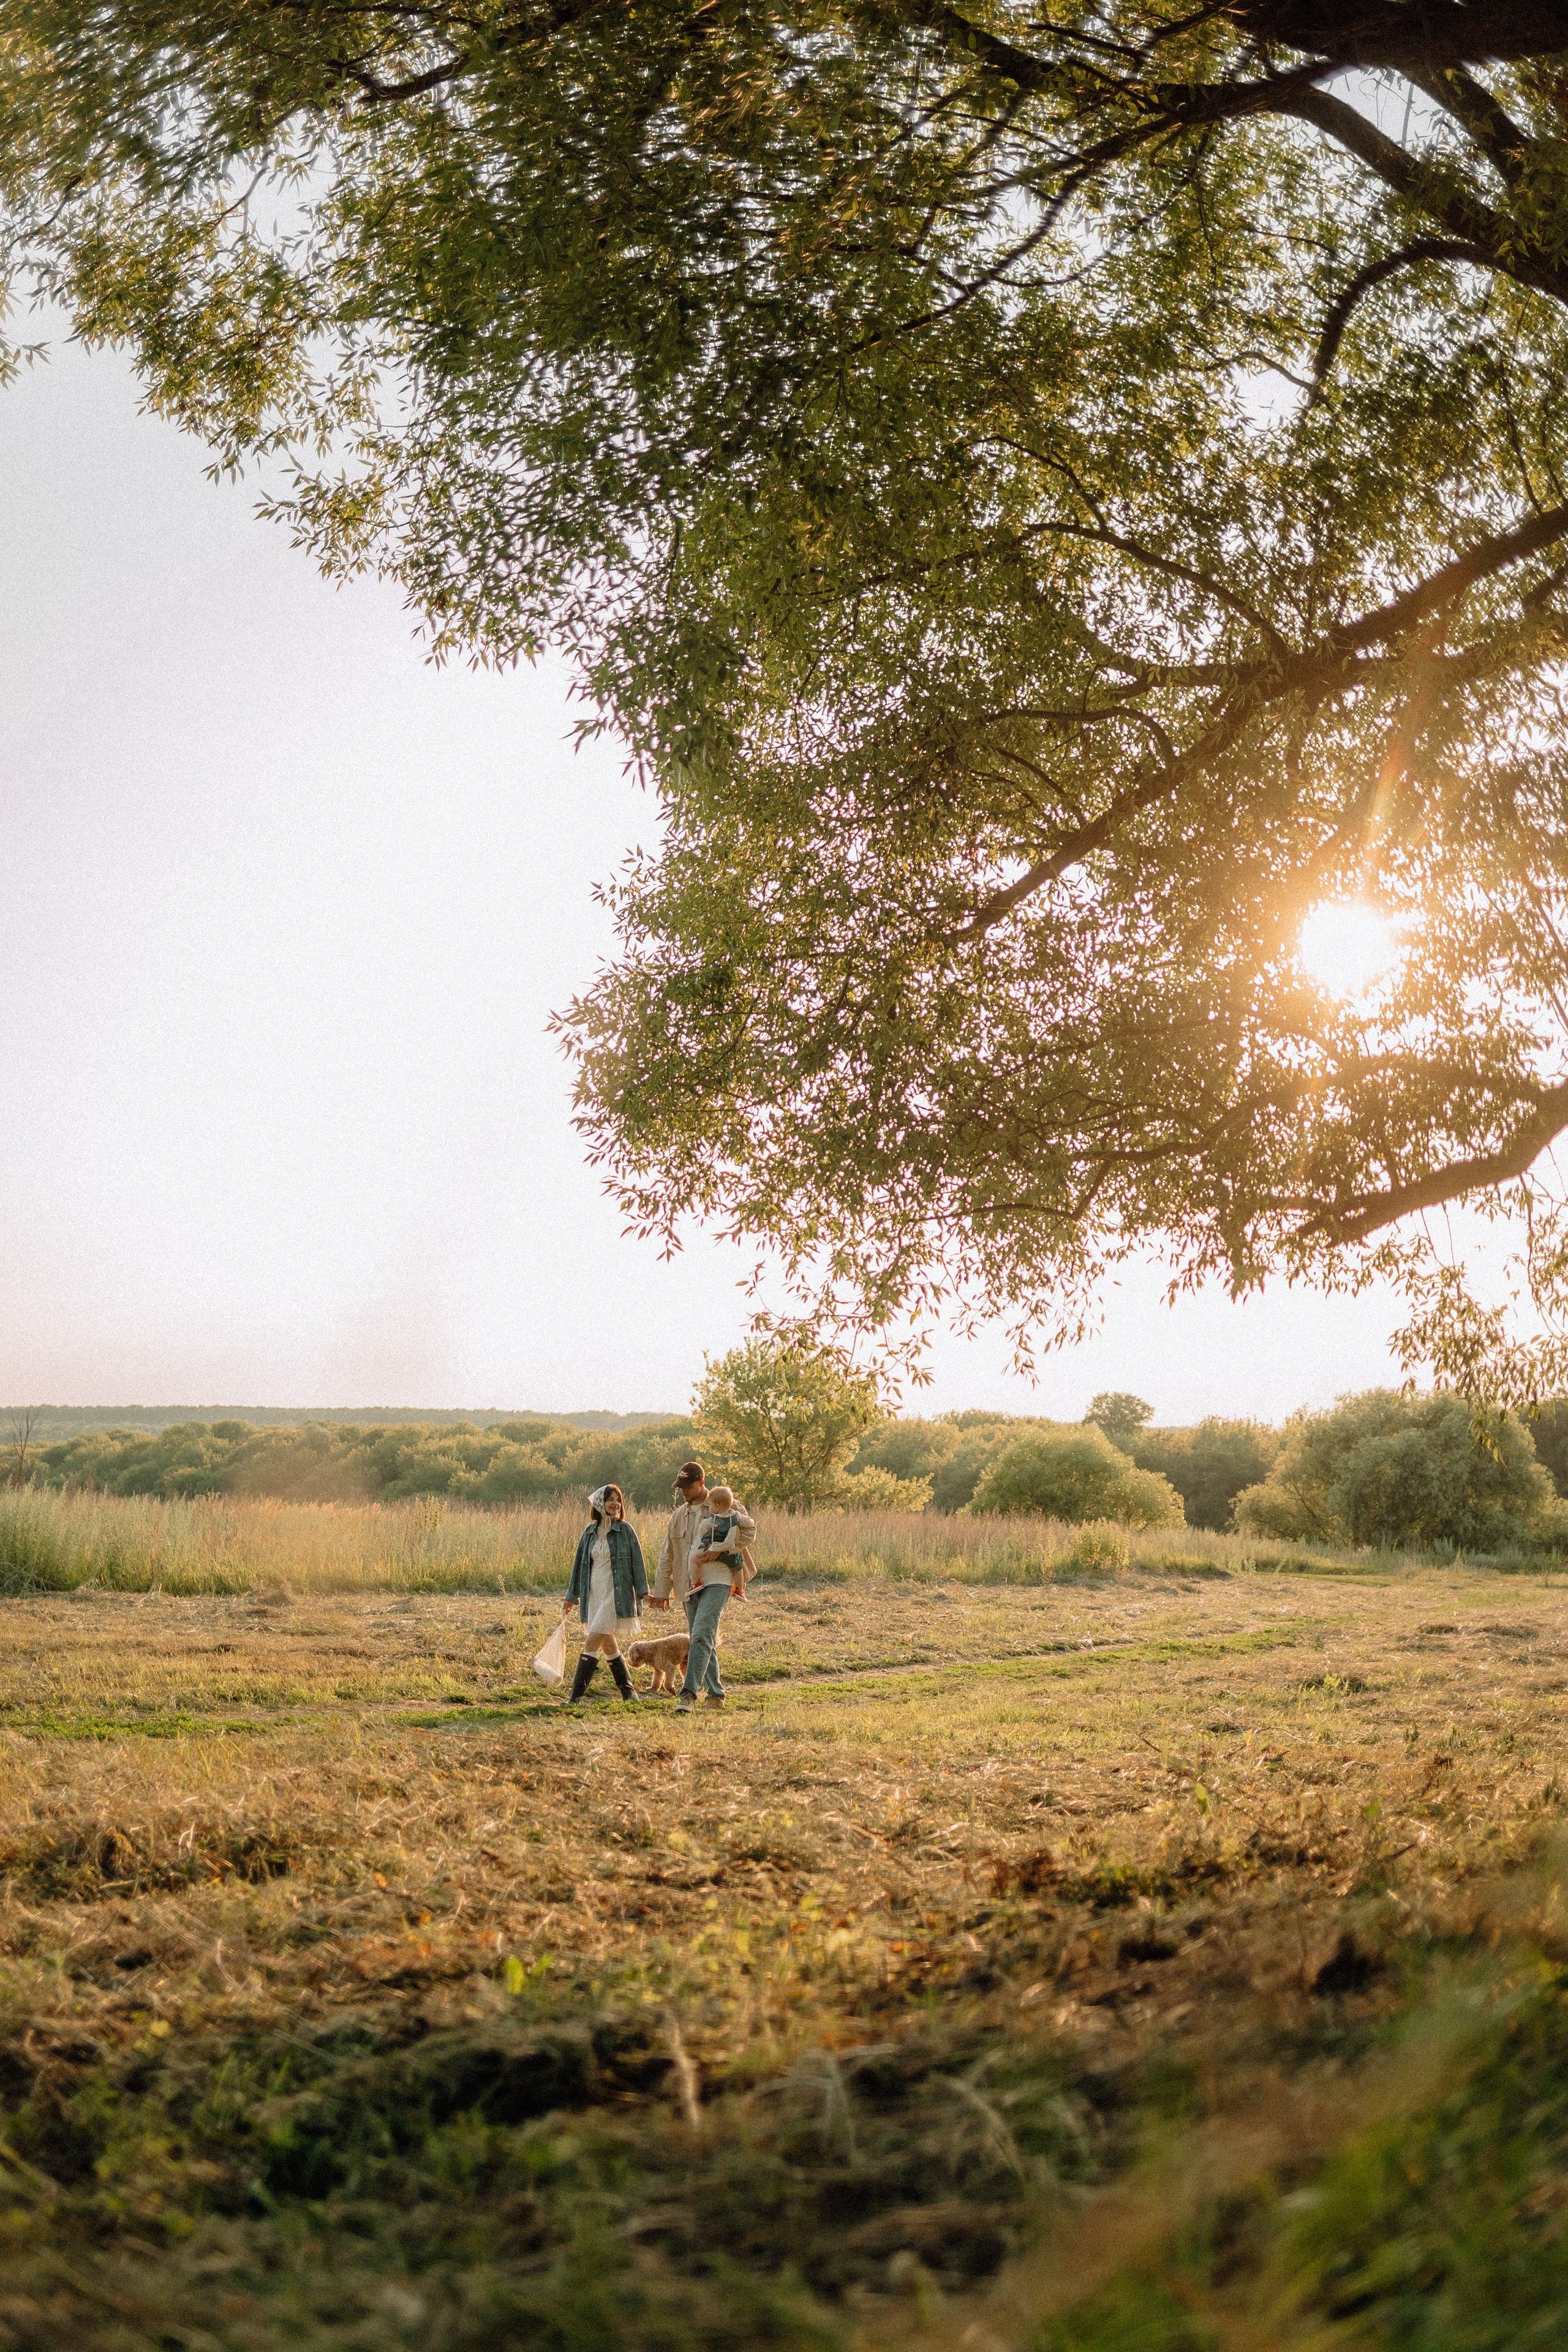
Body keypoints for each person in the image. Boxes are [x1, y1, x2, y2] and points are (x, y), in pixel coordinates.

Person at [562, 1483, 647, 1703]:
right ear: (600, 1503)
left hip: (615, 1593)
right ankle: (629, 1693)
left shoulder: (625, 1530)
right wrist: (571, 1596)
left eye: (618, 1500)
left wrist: (644, 1592)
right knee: (608, 1643)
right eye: (610, 1499)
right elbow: (579, 1565)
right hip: (594, 1593)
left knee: (591, 1642)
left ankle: (575, 1698)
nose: (615, 1504)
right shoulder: (589, 1532)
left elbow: (637, 1562)